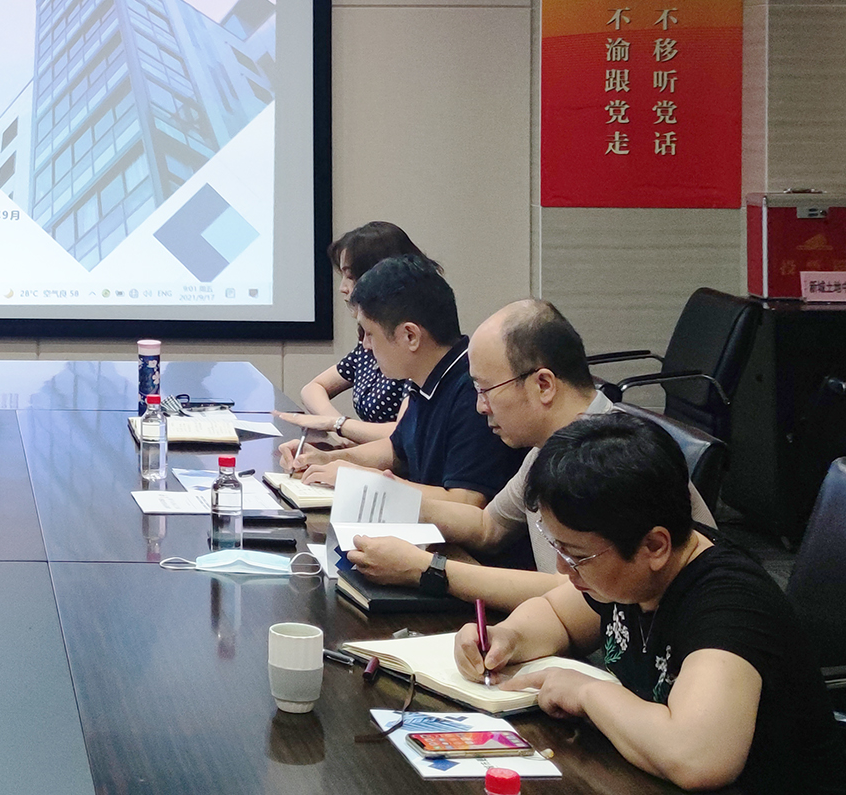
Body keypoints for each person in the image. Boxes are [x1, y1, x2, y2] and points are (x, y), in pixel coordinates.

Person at [456, 414, 846, 792]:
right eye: (558, 547)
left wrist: (587, 692)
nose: (562, 567)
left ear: (655, 546)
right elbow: (557, 615)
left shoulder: (730, 605)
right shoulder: (630, 573)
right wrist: (507, 637)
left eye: (577, 555)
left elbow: (698, 758)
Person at [342, 299, 714, 610]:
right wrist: (399, 499)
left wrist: (426, 569)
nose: (480, 407)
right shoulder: (549, 448)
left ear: (543, 385)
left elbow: (575, 593)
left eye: (485, 390)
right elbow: (489, 527)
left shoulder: (610, 459)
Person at [282, 255, 520, 508]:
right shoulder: (426, 378)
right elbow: (398, 450)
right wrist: (327, 459)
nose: (366, 345)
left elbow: (466, 501)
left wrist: (358, 479)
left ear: (410, 336)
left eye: (370, 333)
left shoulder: (473, 391)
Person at [274, 221, 426, 445]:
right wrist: (338, 429)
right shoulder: (368, 344)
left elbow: (401, 433)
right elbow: (312, 388)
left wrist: (339, 426)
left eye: (350, 276)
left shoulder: (410, 345)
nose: (342, 288)